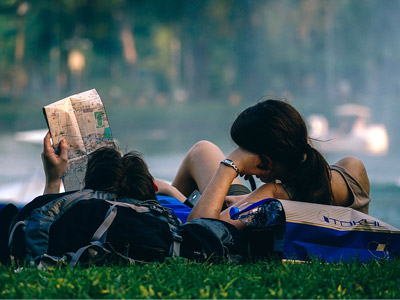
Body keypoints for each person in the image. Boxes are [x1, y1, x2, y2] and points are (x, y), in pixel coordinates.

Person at [175, 99, 370, 229]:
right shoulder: (351, 170)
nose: (244, 174)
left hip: (242, 218)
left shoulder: (270, 194)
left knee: (201, 150)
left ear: (265, 162)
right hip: (256, 202)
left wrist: (230, 166)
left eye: (244, 154)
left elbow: (200, 231)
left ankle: (156, 217)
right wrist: (250, 196)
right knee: (203, 150)